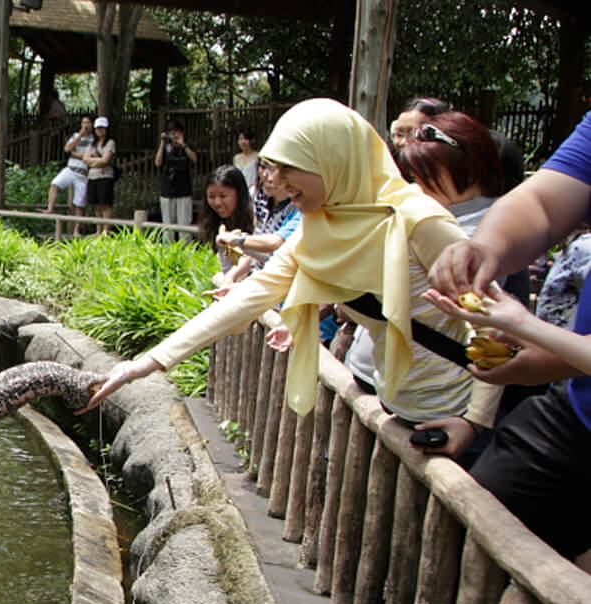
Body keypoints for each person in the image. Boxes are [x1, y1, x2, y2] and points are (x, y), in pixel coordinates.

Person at [87, 100, 479, 460]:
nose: (278, 180)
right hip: (394, 408)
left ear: (334, 160)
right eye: (274, 167)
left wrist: (474, 422)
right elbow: (254, 293)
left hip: (452, 416)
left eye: (290, 167)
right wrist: (143, 364)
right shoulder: (320, 227)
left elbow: (495, 328)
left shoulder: (419, 221)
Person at [426, 107, 591, 558]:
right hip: (578, 412)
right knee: (467, 530)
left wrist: (529, 329)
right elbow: (540, 203)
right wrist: (484, 249)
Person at [338, 111, 512, 435]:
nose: (417, 189)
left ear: (470, 171)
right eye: (414, 176)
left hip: (450, 409)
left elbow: (492, 326)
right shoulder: (425, 216)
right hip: (401, 396)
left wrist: (473, 423)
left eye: (428, 177)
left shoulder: (485, 233)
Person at [212, 161, 301, 292]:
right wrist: (230, 277)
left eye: (271, 169)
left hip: (280, 291)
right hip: (259, 279)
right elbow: (253, 252)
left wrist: (239, 240)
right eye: (263, 167)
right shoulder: (266, 206)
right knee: (220, 280)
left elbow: (275, 244)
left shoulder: (298, 210)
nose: (265, 175)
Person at [194, 165, 255, 250]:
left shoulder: (257, 220)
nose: (217, 202)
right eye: (211, 197)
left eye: (223, 196)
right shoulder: (212, 223)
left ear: (239, 194)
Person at [155, 123, 198, 238]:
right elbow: (158, 163)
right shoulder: (166, 147)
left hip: (184, 191)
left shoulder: (188, 146)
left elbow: (194, 158)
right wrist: (162, 143)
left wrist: (183, 145)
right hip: (167, 190)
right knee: (168, 226)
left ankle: (185, 250)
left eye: (177, 132)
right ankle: (168, 250)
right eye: (172, 133)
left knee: (184, 225)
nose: (175, 135)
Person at [46, 114, 93, 215]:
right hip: (70, 169)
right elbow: (67, 148)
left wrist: (76, 153)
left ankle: (76, 229)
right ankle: (50, 209)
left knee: (80, 203)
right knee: (55, 184)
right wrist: (80, 135)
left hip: (83, 173)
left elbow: (89, 156)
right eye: (83, 123)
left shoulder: (94, 139)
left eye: (88, 123)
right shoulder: (76, 136)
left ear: (92, 124)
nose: (86, 125)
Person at [84, 116, 118, 225]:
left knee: (105, 204)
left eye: (102, 128)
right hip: (93, 176)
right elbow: (85, 159)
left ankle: (106, 231)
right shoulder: (92, 144)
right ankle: (99, 231)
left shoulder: (110, 143)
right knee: (96, 204)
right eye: (98, 128)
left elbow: (105, 160)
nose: (100, 130)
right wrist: (98, 160)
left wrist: (93, 161)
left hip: (105, 177)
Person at [234, 127, 262, 195]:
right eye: (240, 139)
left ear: (252, 140)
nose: (243, 142)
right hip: (239, 191)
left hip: (253, 191)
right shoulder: (236, 158)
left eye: (245, 139)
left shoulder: (257, 156)